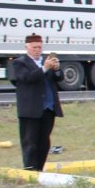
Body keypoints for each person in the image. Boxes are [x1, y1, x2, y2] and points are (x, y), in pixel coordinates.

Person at [10, 34, 63, 171]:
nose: (37, 50)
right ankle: (29, 169)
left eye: (39, 47)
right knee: (30, 142)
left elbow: (59, 78)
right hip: (30, 109)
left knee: (44, 141)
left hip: (48, 108)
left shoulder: (47, 61)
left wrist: (56, 69)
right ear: (27, 48)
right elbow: (28, 78)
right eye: (34, 47)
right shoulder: (19, 63)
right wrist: (44, 68)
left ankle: (39, 168)